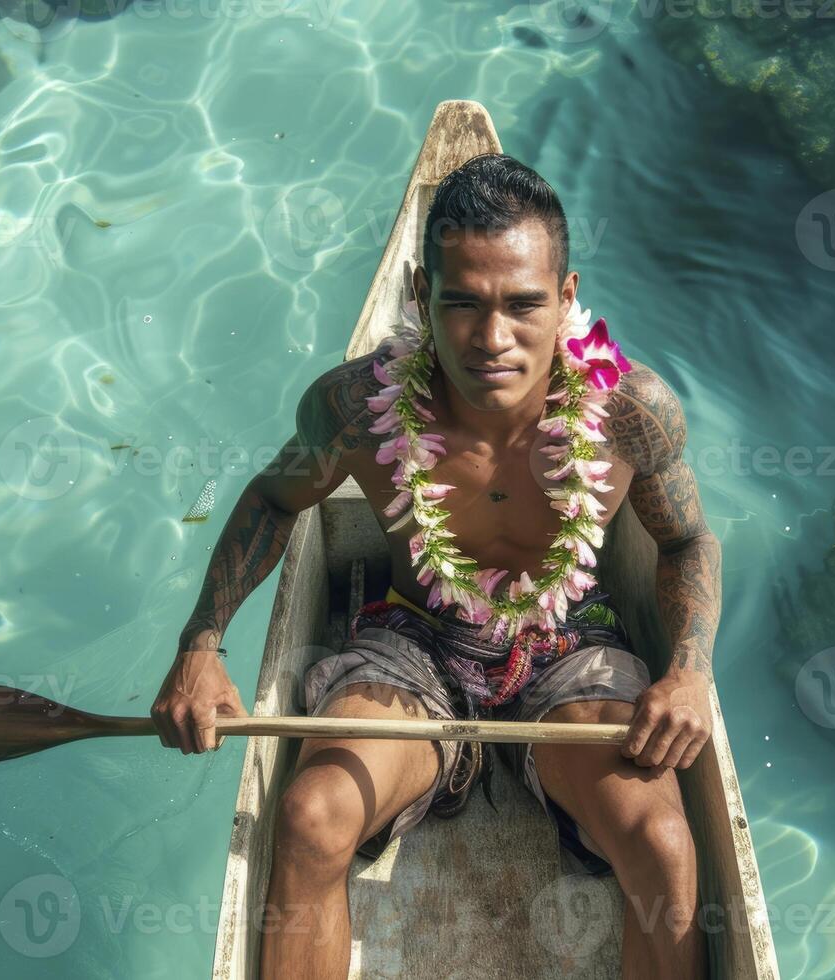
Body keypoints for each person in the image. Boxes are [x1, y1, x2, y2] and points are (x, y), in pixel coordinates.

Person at [151, 152, 721, 980]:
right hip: (413, 644)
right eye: (462, 304)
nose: (493, 340)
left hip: (569, 647)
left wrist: (691, 670)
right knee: (310, 817)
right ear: (419, 294)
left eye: (524, 305)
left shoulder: (632, 412)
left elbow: (687, 541)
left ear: (566, 297)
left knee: (666, 846)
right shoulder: (351, 408)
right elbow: (274, 500)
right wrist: (200, 646)